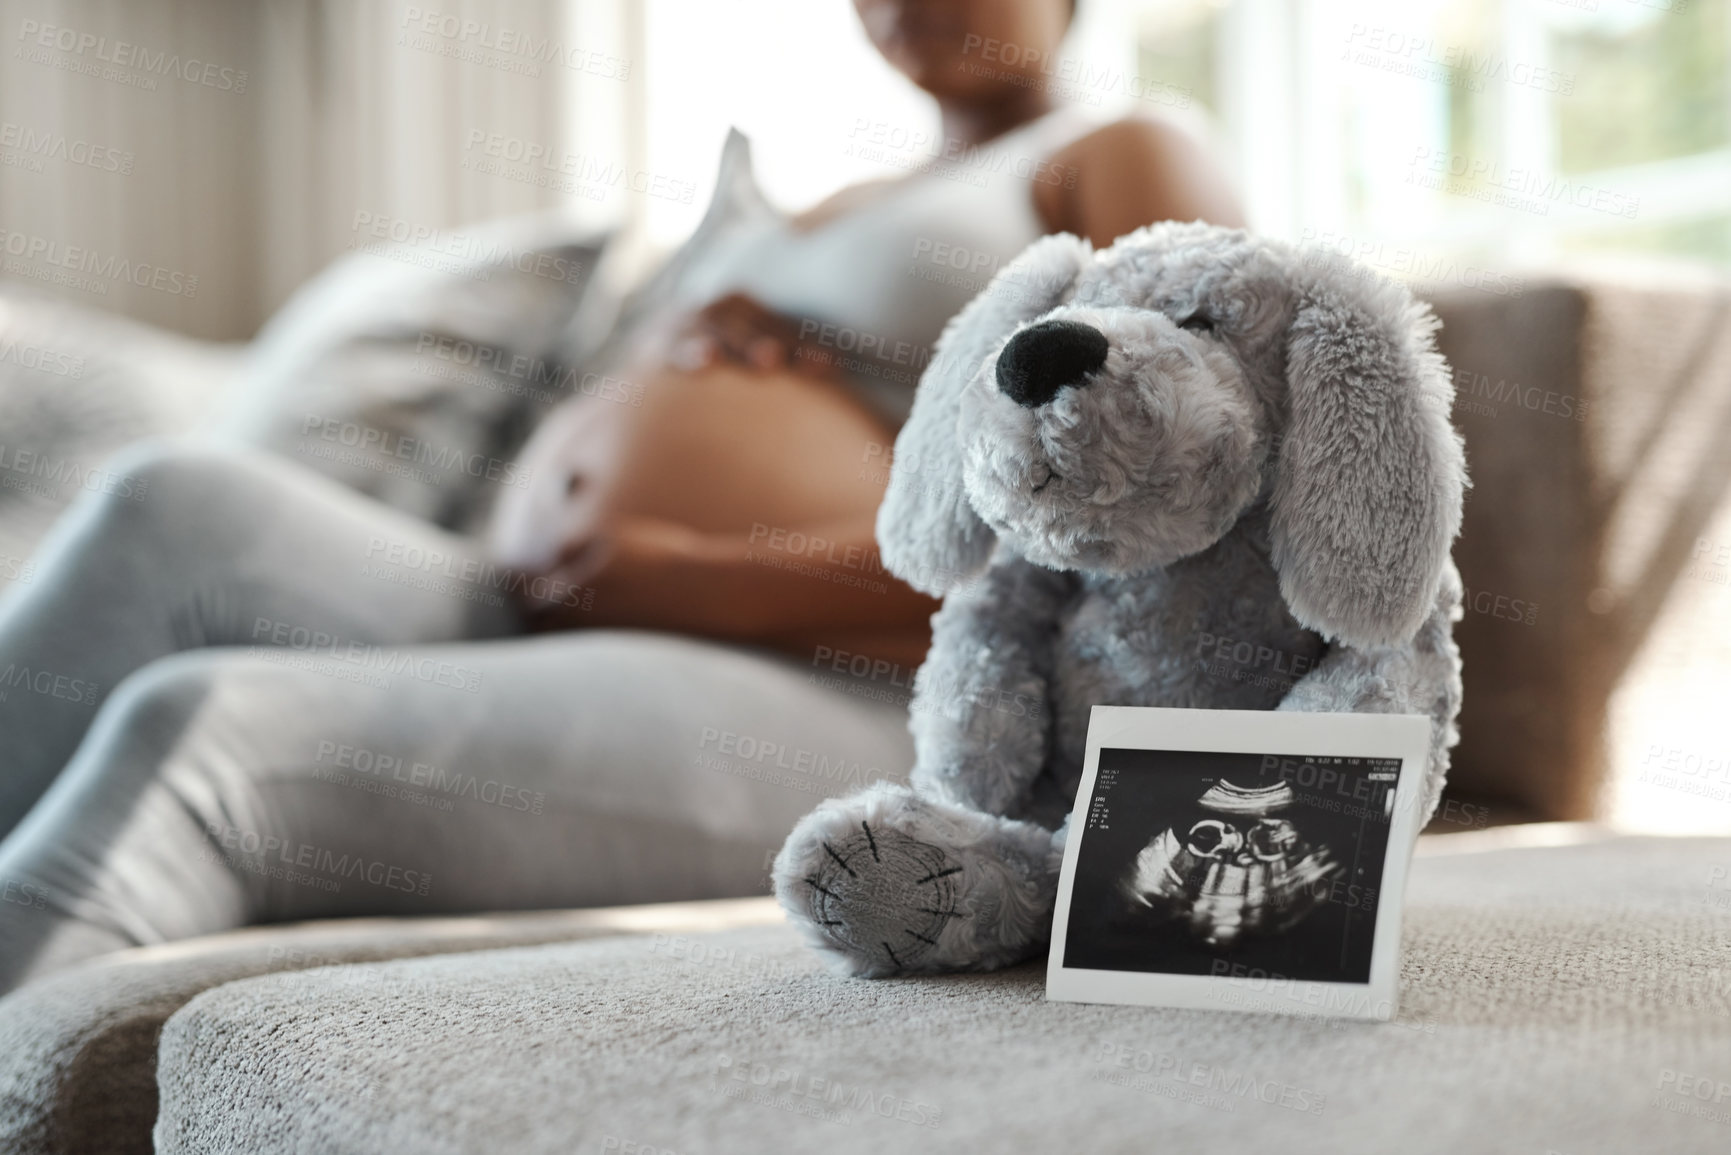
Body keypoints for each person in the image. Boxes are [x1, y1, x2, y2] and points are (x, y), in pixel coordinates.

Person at [0, 0, 1242, 993]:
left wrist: (695, 573)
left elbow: (1170, 515)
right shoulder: (844, 201)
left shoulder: (1123, 146)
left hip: (875, 686)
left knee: (209, 727)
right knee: (169, 508)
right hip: (575, 596)